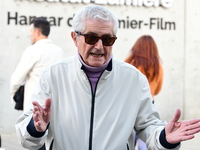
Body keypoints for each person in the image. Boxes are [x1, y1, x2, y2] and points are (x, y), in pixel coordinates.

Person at [15, 5, 200, 150]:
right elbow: (27, 137)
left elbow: (147, 126)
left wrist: (164, 137)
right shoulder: (53, 75)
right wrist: (36, 128)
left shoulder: (134, 79)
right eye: (91, 38)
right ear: (74, 38)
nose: (99, 46)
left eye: (108, 39)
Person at [10, 17, 64, 111]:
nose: (30, 34)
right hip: (54, 106)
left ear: (37, 32)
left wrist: (13, 95)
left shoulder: (33, 50)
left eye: (31, 31)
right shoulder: (59, 52)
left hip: (34, 107)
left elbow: (16, 79)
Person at [125, 35, 164, 150]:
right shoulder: (158, 68)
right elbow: (157, 90)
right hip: (147, 109)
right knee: (146, 142)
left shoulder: (127, 65)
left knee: (127, 143)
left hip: (128, 109)